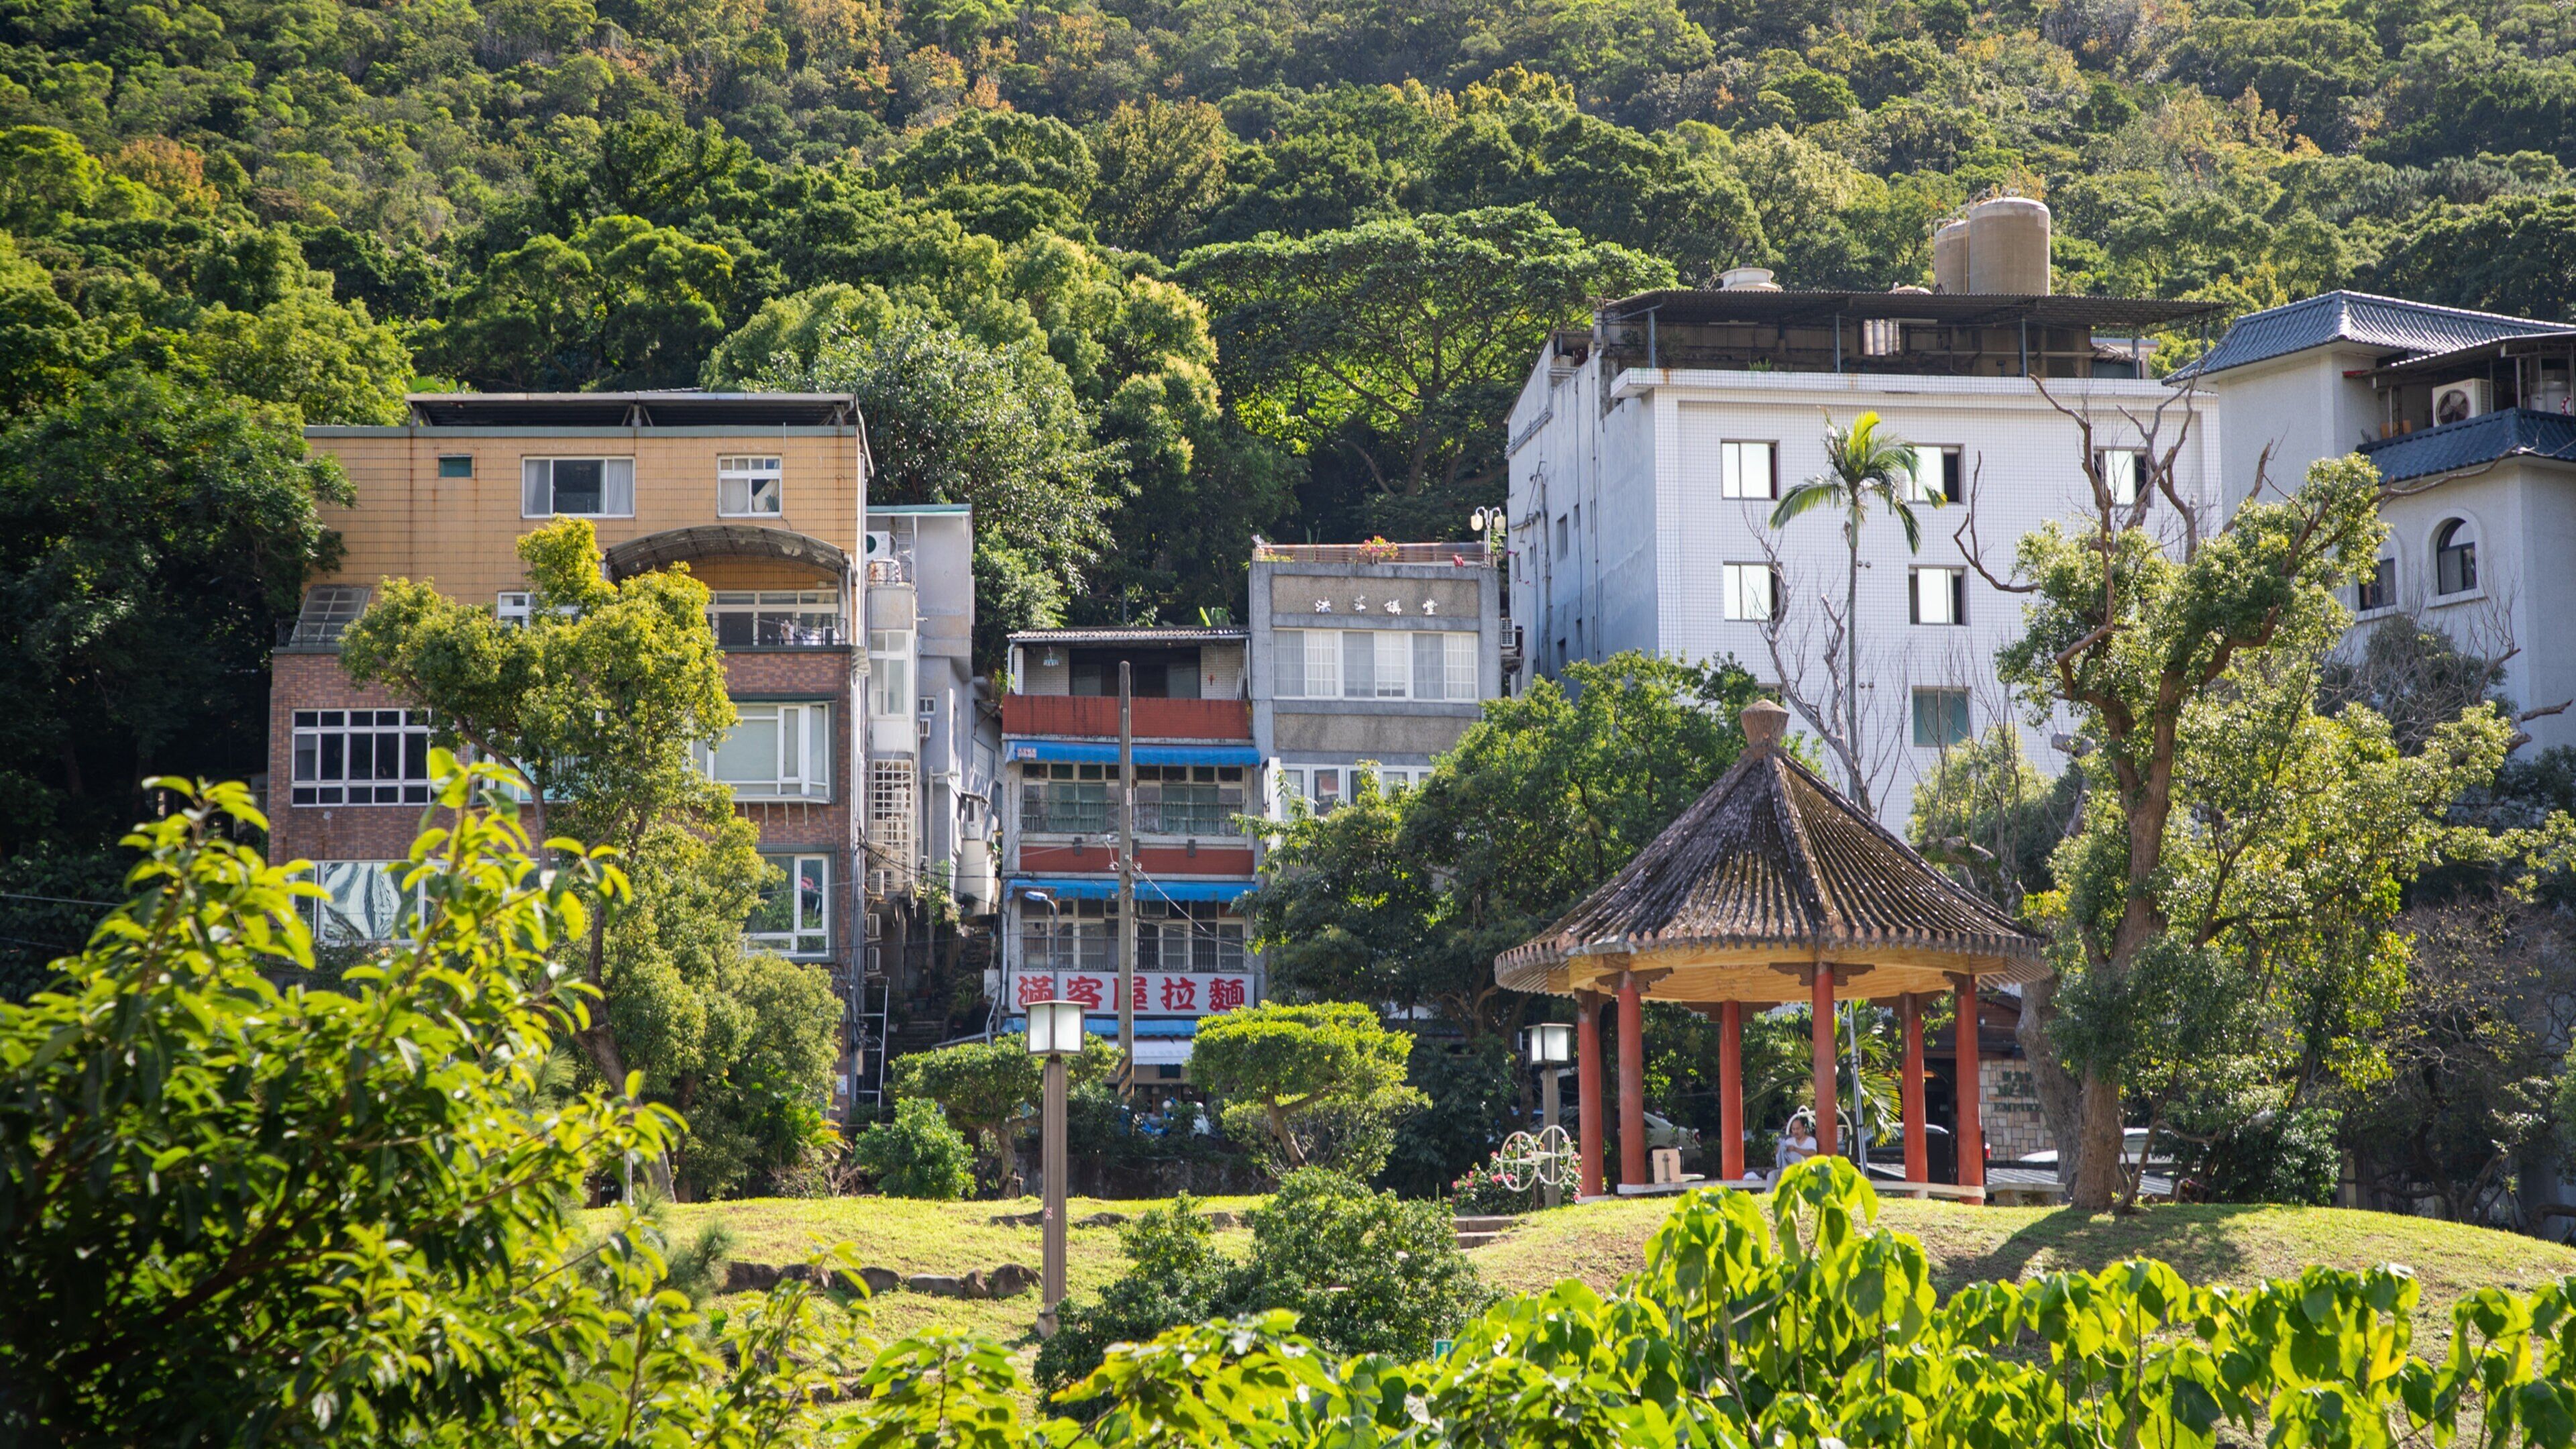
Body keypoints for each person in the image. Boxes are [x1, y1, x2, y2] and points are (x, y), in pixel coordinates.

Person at [1774, 1111, 1819, 1179]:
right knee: (1772, 1175)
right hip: (1791, 1170)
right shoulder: (1789, 1141)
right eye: (1793, 1129)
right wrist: (1780, 1147)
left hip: (1806, 1171)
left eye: (1798, 1129)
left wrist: (1795, 1149)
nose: (1795, 1132)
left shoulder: (1811, 1140)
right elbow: (1778, 1151)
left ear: (1804, 1129)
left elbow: (1812, 1153)